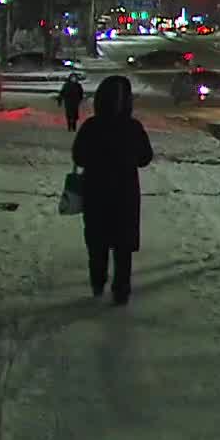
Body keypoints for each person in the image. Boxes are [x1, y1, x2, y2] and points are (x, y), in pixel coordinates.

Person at [71, 75, 153, 306]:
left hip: (96, 192)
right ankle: (121, 288)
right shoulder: (133, 128)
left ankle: (98, 282)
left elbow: (78, 156)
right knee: (122, 245)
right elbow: (145, 158)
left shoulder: (91, 127)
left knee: (97, 242)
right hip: (125, 194)